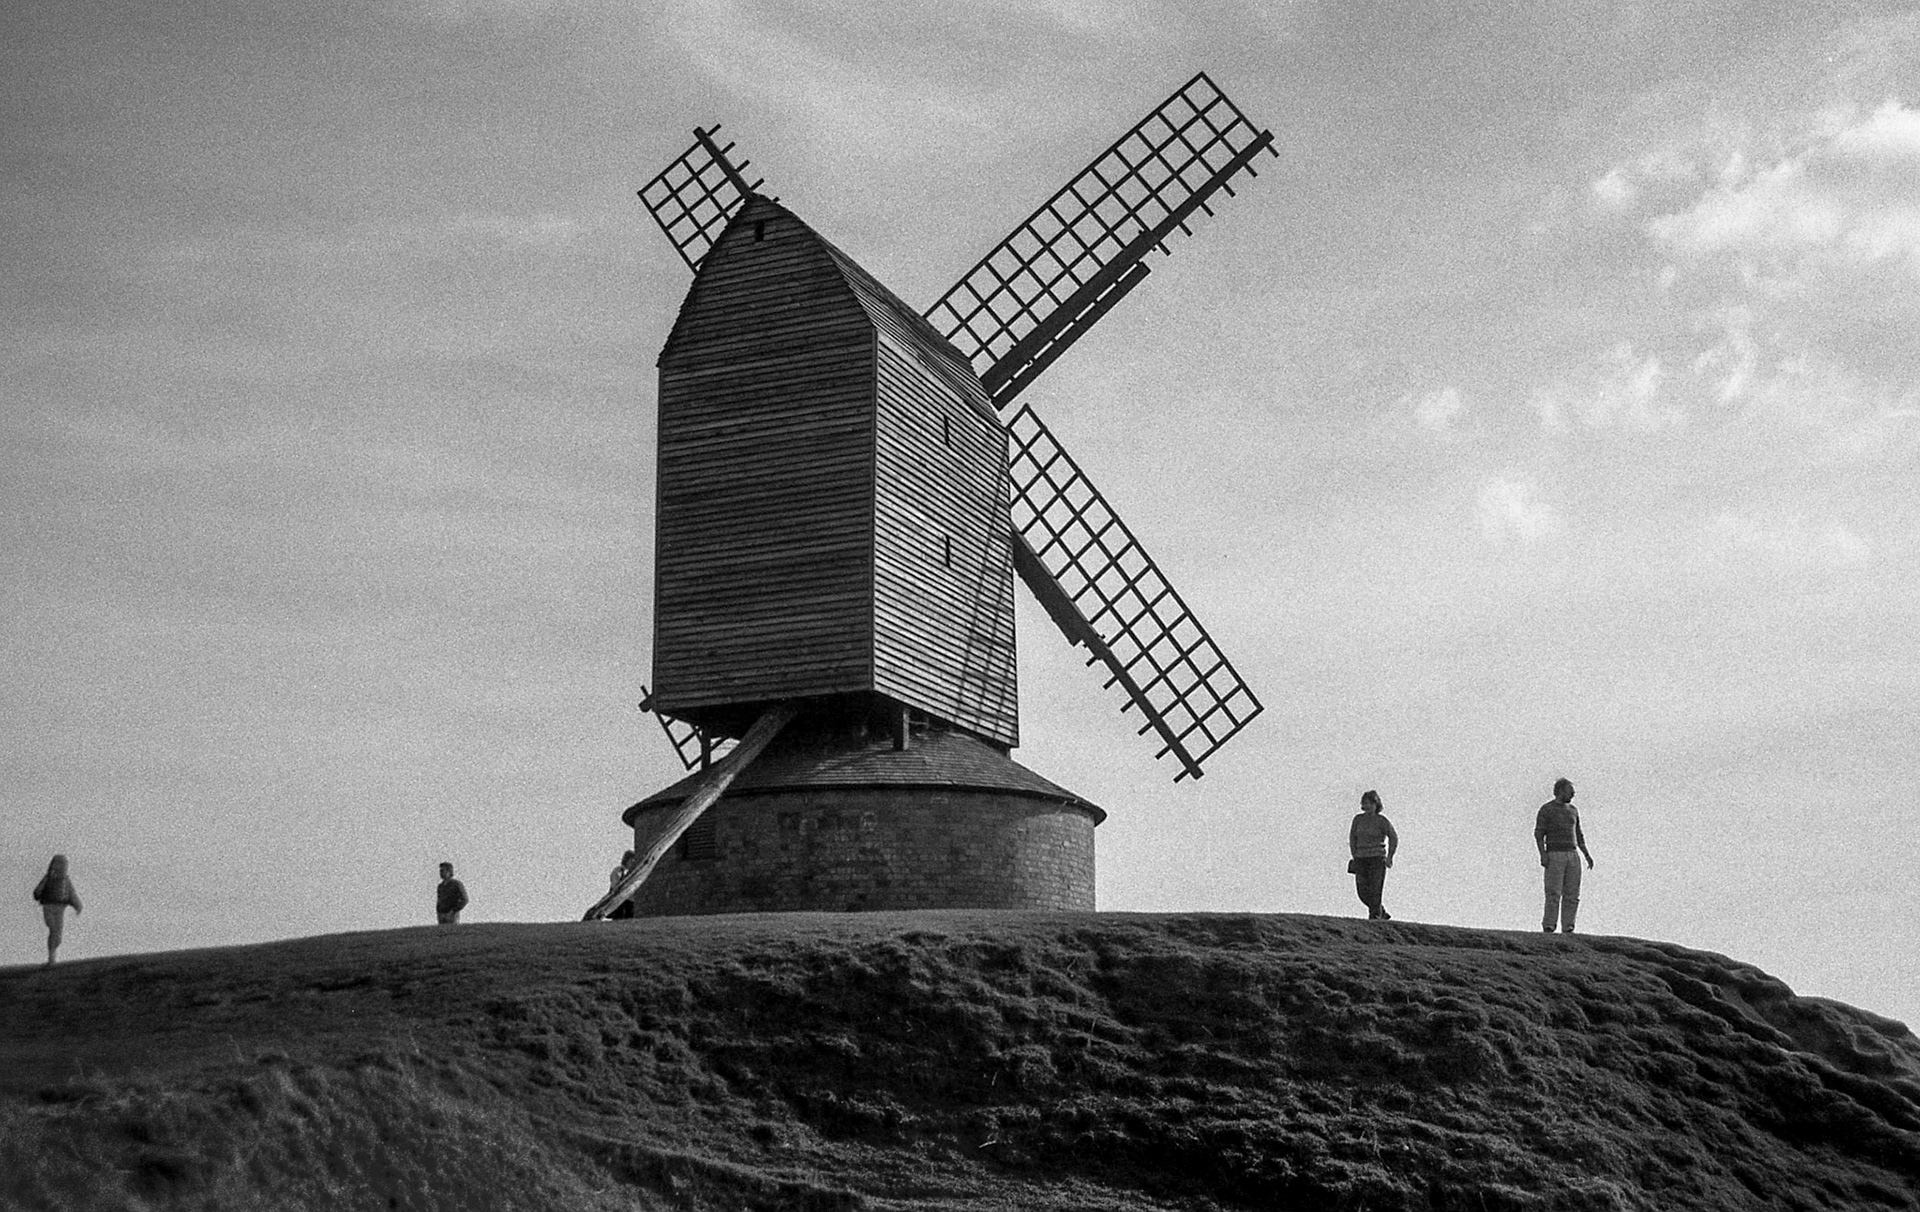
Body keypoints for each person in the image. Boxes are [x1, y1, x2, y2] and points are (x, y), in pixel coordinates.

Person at [1534, 778, 1594, 933]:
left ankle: (1568, 927)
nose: (1573, 794)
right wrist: (1543, 854)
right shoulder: (1547, 809)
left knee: (1572, 893)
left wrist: (1586, 854)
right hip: (1555, 854)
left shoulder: (1573, 810)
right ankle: (1549, 925)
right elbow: (1539, 834)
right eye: (1570, 790)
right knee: (1553, 892)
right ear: (1560, 790)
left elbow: (1579, 834)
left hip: (1572, 854)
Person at [1348, 790, 1399, 920]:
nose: (1367, 806)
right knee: (1362, 892)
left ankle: (1375, 919)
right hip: (1361, 858)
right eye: (1365, 803)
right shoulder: (1358, 819)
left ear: (1376, 804)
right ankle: (1380, 911)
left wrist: (1390, 857)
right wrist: (1354, 854)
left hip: (1377, 858)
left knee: (1375, 891)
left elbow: (1393, 837)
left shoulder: (1382, 821)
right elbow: (1353, 837)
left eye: (1370, 803)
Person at [31, 854, 83, 966]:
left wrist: (77, 905)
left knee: (58, 936)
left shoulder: (65, 880)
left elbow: (71, 893)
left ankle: (52, 955)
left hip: (60, 908)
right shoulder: (48, 878)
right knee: (54, 930)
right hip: (48, 907)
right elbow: (37, 892)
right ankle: (51, 957)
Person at [608, 849, 637, 920]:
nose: (632, 863)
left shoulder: (633, 872)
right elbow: (615, 885)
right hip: (619, 899)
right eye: (631, 860)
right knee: (618, 917)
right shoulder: (618, 871)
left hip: (630, 900)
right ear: (626, 860)